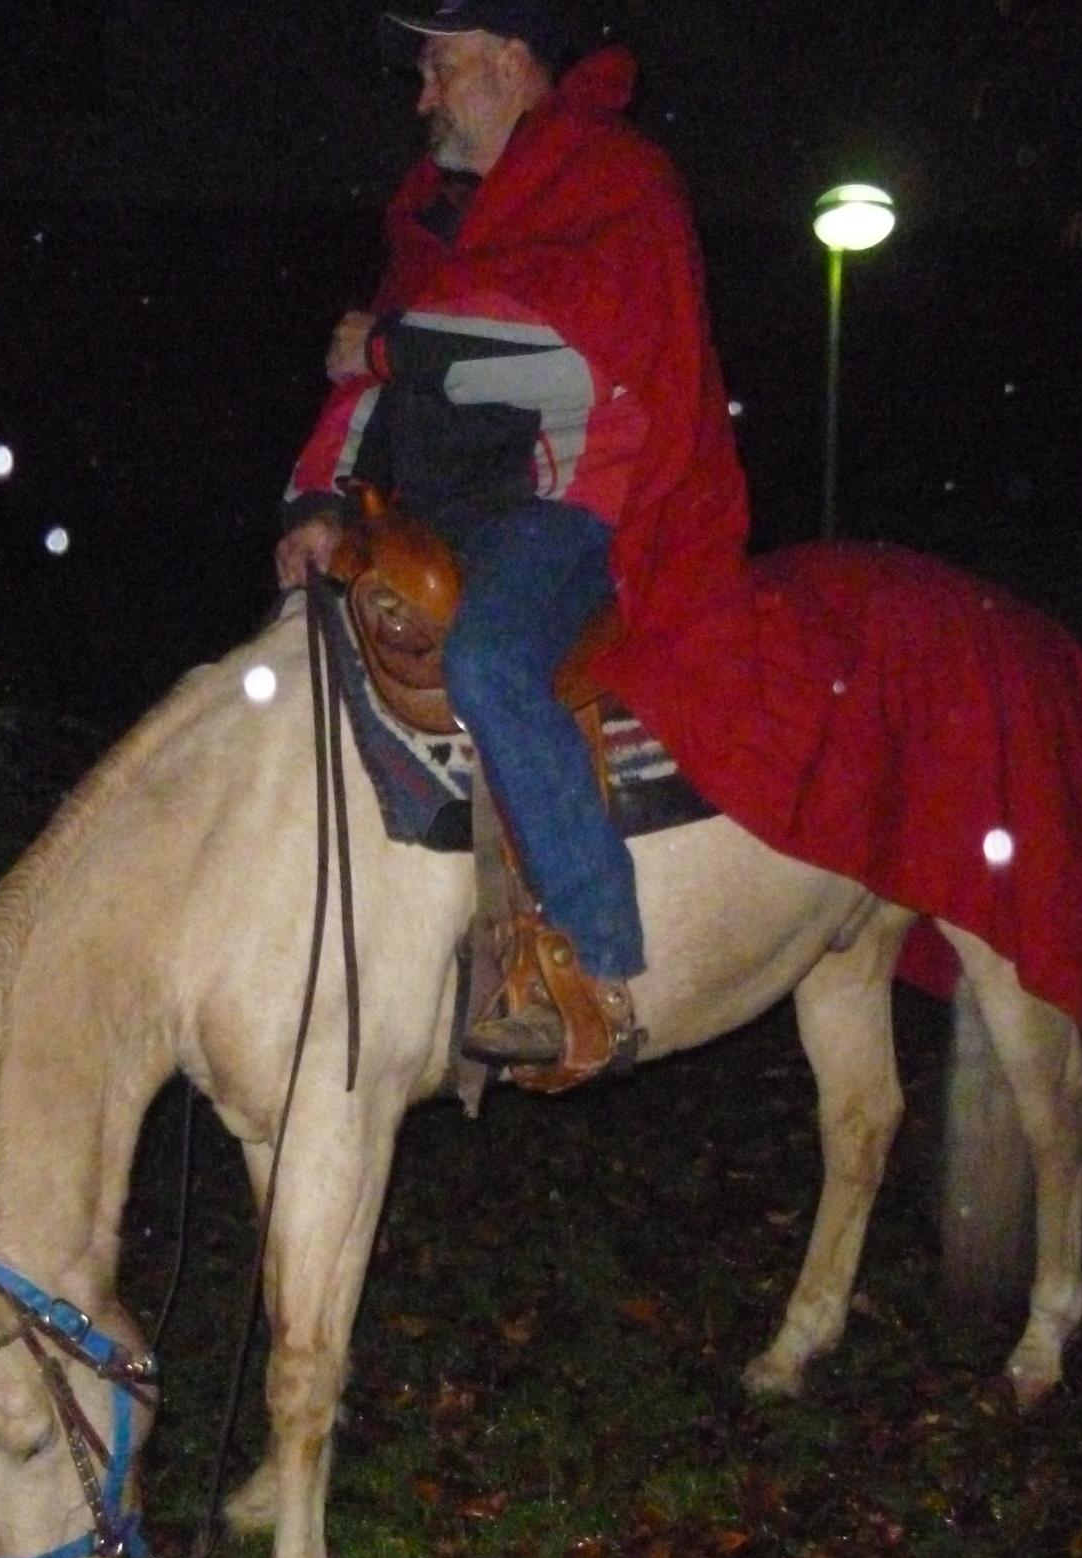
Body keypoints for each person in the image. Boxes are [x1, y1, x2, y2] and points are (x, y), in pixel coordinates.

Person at [276, 0, 754, 1070]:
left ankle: (600, 959)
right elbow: (372, 379)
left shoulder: (612, 176)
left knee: (490, 659)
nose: (423, 95)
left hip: (574, 498)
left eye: (439, 68)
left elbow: (572, 345)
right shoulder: (435, 217)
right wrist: (314, 500)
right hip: (439, 515)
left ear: (505, 60)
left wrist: (402, 345)